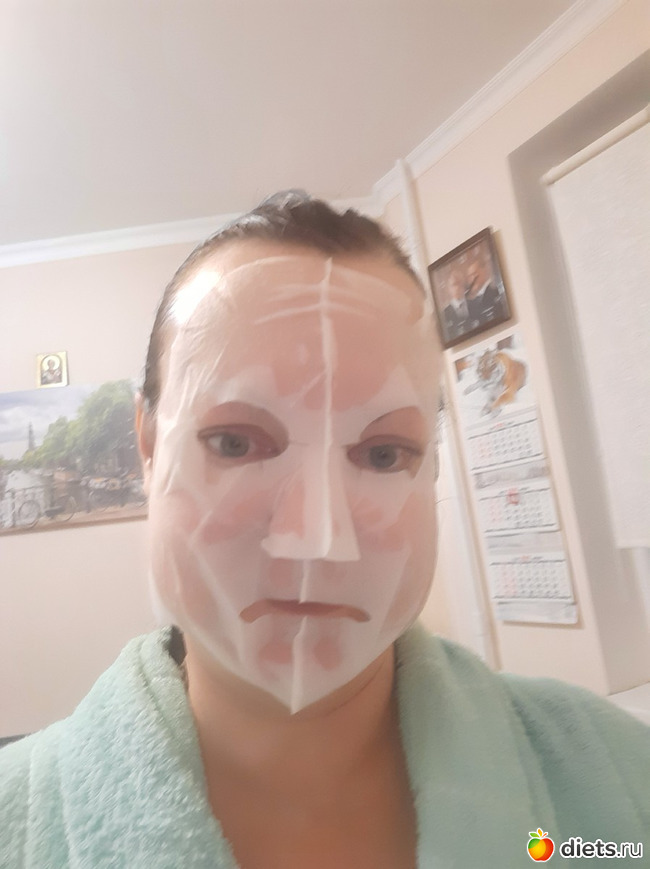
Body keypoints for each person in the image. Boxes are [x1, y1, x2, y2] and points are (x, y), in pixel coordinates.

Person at [1, 192, 648, 868]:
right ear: (147, 444)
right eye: (235, 443)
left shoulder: (623, 777)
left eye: (383, 454)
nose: (317, 541)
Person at [465, 254, 506, 329]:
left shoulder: (495, 288)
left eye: (474, 274)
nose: (472, 279)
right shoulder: (472, 301)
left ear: (484, 270)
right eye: (470, 276)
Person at [441, 270, 469, 341]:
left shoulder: (475, 302)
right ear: (448, 289)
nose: (458, 287)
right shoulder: (444, 315)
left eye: (460, 283)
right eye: (454, 284)